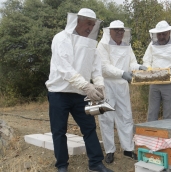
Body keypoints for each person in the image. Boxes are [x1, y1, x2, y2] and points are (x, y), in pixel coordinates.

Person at [45, 8, 112, 172]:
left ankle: (96, 163)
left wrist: (99, 84)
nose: (90, 27)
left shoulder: (91, 43)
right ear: (78, 21)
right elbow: (64, 68)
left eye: (93, 24)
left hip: (81, 94)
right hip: (59, 93)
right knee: (59, 131)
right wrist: (87, 85)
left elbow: (96, 67)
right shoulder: (61, 38)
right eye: (88, 23)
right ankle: (62, 165)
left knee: (89, 128)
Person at [97, 20, 146, 164]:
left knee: (126, 116)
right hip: (105, 85)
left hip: (122, 85)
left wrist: (139, 67)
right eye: (116, 30)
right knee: (106, 118)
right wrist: (122, 73)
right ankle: (109, 151)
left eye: (121, 30)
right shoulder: (102, 45)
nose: (119, 32)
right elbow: (104, 67)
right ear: (110, 31)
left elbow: (131, 63)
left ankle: (128, 149)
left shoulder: (126, 45)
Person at [143, 20, 171, 121]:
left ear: (169, 33)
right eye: (159, 34)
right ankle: (152, 134)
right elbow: (146, 59)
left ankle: (166, 136)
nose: (161, 36)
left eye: (164, 34)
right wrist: (148, 68)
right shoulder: (152, 45)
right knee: (152, 112)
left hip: (170, 82)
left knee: (168, 113)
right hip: (154, 81)